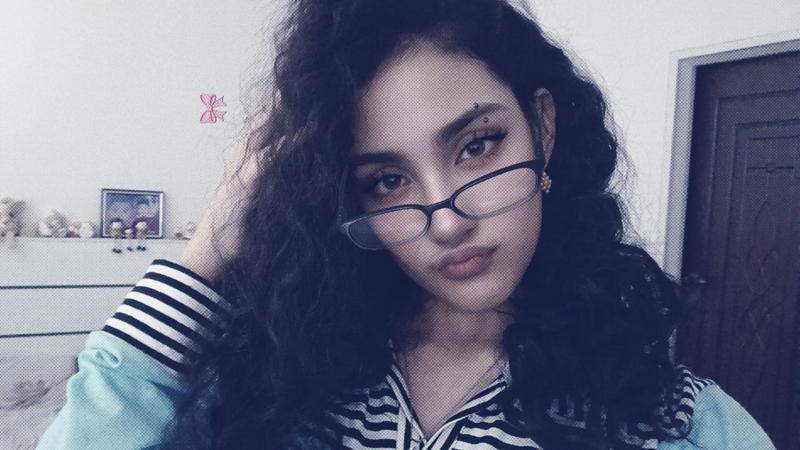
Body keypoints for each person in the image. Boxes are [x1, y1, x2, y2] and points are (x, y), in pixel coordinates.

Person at [36, 0, 776, 449]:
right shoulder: (272, 387)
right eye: (386, 180)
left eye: (477, 146)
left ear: (543, 129)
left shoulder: (675, 422)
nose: (447, 220)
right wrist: (204, 253)